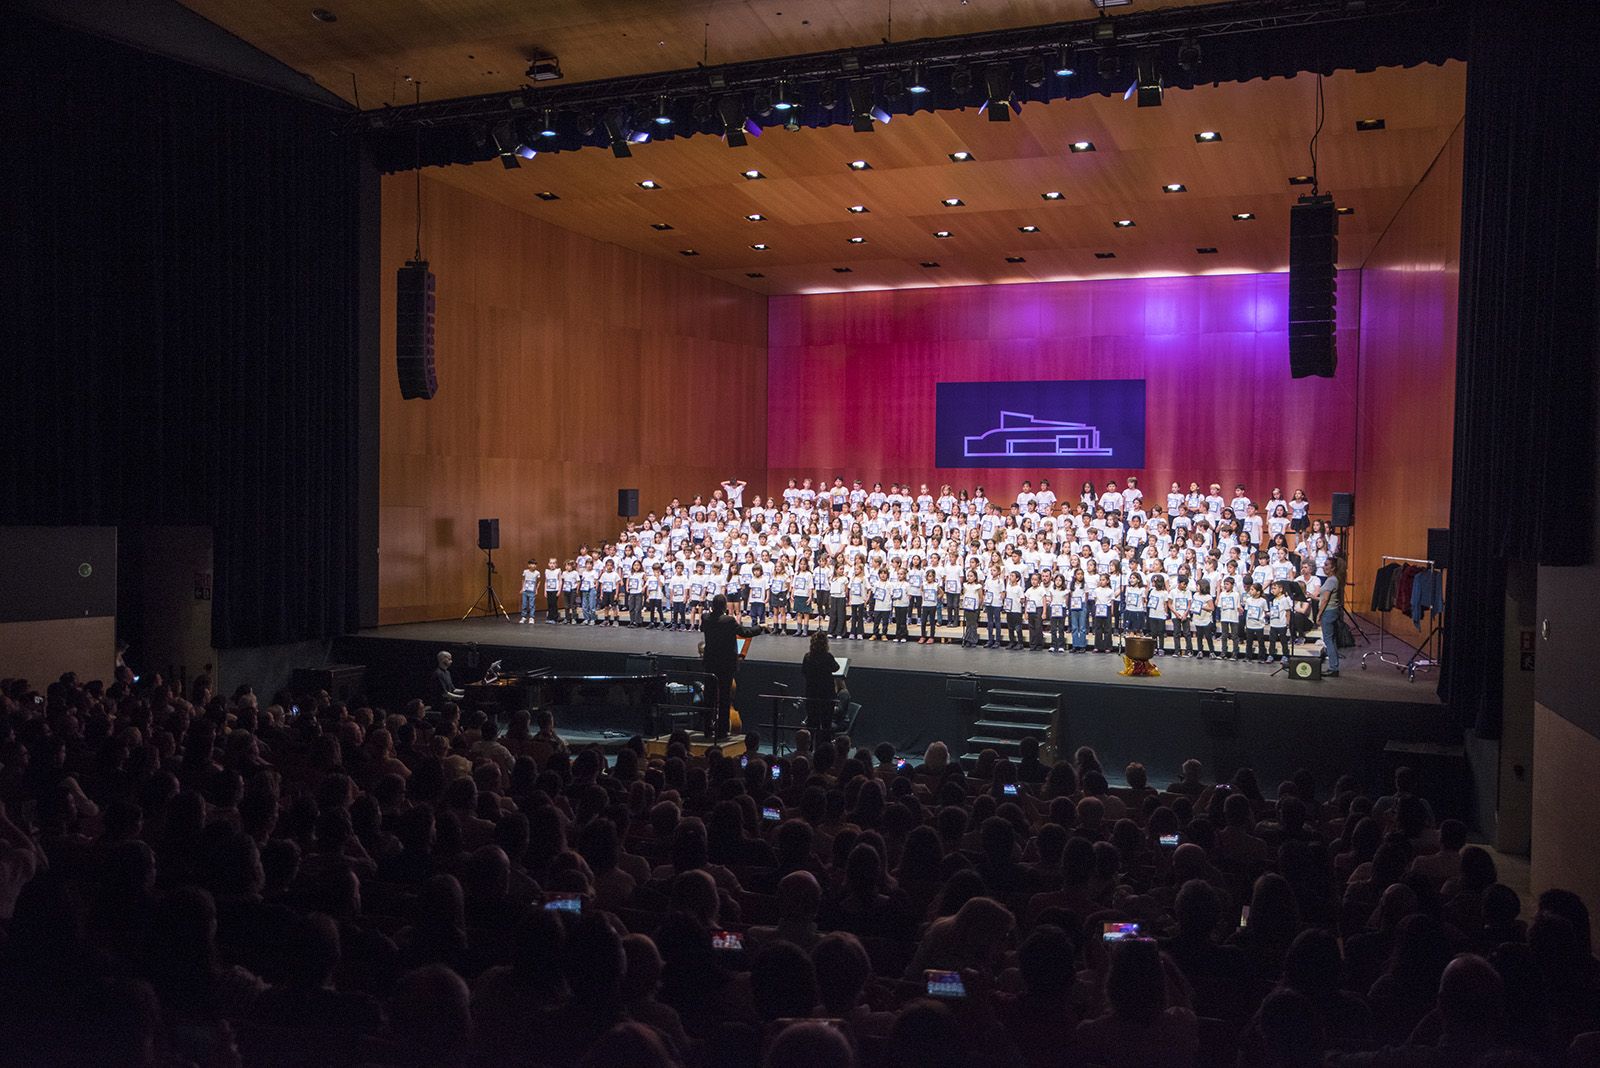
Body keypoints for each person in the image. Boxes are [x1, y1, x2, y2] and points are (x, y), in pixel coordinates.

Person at [700, 594, 764, 740]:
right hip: (725, 664)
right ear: (724, 606)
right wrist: (760, 628)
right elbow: (745, 632)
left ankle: (707, 730)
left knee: (709, 697)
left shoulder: (705, 618)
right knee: (724, 698)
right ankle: (722, 731)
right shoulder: (728, 620)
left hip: (710, 663)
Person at [802, 633, 841, 736]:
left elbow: (804, 672)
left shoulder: (808, 657)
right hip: (826, 694)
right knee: (826, 723)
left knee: (811, 722)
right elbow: (836, 667)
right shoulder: (827, 656)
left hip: (812, 693)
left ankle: (809, 747)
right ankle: (825, 747)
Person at [1317, 555, 1346, 676]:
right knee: (1331, 639)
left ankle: (1334, 668)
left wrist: (1319, 614)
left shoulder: (1331, 580)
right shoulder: (1332, 580)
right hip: (1331, 611)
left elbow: (1325, 600)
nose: (1324, 567)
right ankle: (1334, 666)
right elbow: (1324, 597)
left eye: (1326, 565)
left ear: (1333, 568)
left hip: (1328, 612)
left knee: (1328, 640)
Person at [519, 560, 540, 624]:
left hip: (532, 591)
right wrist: (522, 588)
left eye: (535, 564)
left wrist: (536, 589)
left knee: (532, 604)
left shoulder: (537, 573)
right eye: (532, 564)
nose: (534, 565)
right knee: (524, 604)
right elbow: (523, 579)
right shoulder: (525, 571)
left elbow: (539, 581)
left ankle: (531, 617)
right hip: (525, 590)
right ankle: (523, 617)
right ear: (529, 565)